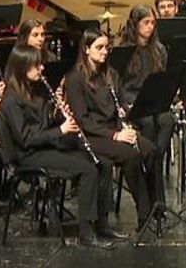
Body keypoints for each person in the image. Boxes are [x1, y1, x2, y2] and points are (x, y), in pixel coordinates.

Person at [0, 43, 116, 248]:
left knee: (103, 163)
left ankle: (102, 224)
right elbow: (26, 138)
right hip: (27, 155)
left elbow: (44, 123)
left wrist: (58, 115)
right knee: (88, 169)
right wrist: (60, 130)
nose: (42, 68)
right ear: (22, 68)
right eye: (36, 66)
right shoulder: (11, 100)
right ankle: (86, 233)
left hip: (45, 146)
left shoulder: (36, 91)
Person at [64, 28, 150, 234]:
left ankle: (155, 208)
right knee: (130, 155)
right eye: (99, 47)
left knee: (150, 149)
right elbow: (83, 120)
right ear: (86, 49)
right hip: (90, 136)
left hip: (113, 130)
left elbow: (119, 105)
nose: (105, 52)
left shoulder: (111, 74)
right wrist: (115, 135)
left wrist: (124, 121)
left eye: (106, 47)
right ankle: (144, 213)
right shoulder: (75, 78)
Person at [117, 4, 174, 228]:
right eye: (146, 22)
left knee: (168, 120)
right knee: (149, 123)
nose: (150, 27)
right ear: (135, 25)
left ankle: (153, 160)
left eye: (152, 23)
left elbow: (162, 81)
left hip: (154, 102)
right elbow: (119, 85)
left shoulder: (159, 50)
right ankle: (157, 203)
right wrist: (126, 105)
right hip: (133, 104)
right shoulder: (124, 51)